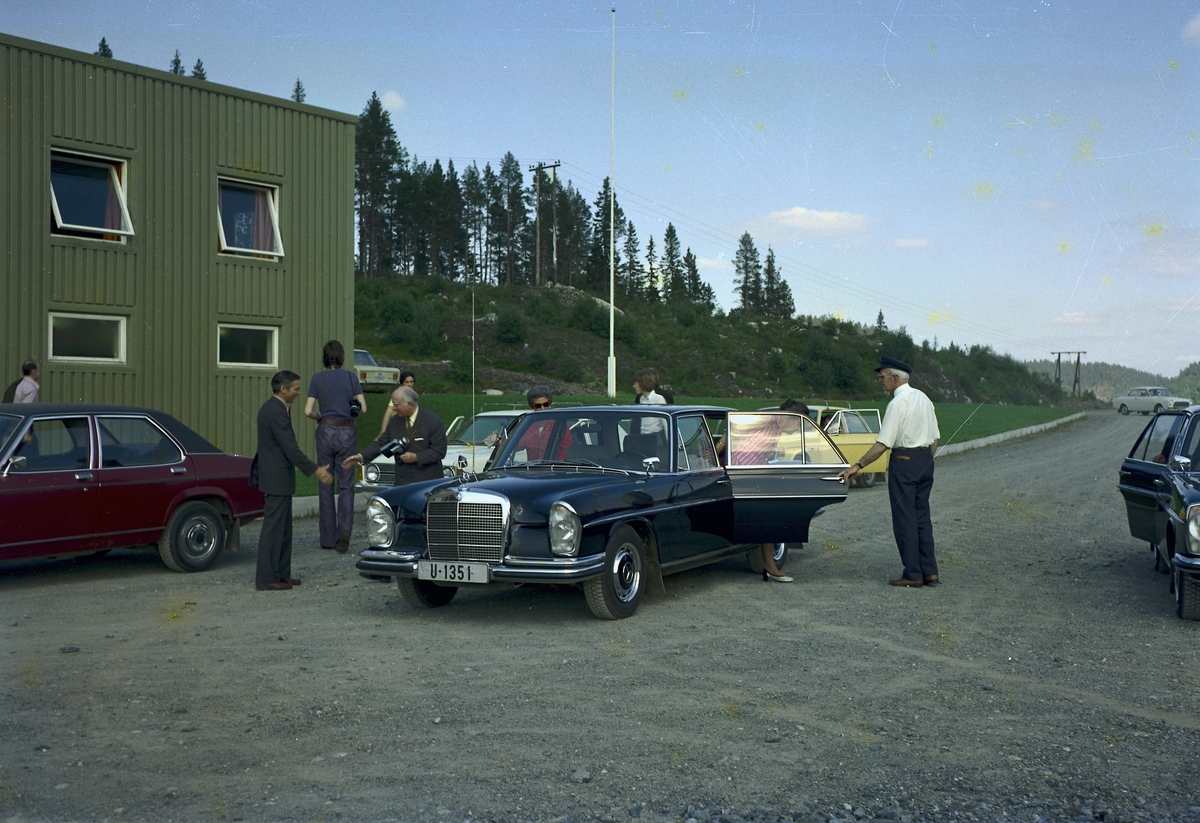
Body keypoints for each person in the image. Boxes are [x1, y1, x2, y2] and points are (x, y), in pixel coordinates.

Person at [838, 355, 941, 587]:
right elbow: (934, 439)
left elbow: (883, 443)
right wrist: (923, 459)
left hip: (904, 461)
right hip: (925, 459)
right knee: (922, 517)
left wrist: (858, 465)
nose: (880, 380)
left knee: (905, 518)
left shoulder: (897, 404)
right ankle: (930, 572)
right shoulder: (924, 399)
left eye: (882, 376)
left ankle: (913, 573)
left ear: (895, 378)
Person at [252, 370, 333, 591]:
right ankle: (266, 577)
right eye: (296, 389)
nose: (299, 393)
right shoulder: (275, 412)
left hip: (280, 477)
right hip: (276, 477)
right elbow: (290, 448)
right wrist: (315, 470)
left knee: (284, 529)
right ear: (283, 389)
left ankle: (281, 573)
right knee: (274, 529)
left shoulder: (277, 409)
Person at [303, 341, 366, 553]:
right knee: (346, 484)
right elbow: (363, 408)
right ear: (341, 356)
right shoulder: (351, 377)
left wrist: (319, 417)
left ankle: (328, 539)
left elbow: (308, 410)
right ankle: (345, 532)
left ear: (324, 357)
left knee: (325, 483)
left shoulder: (317, 379)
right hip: (347, 431)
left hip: (326, 431)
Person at [343, 385, 447, 485]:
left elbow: (439, 451)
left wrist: (416, 457)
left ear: (409, 404)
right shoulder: (395, 422)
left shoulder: (432, 421)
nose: (393, 408)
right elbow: (381, 443)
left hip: (426, 483)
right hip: (402, 483)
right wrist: (360, 456)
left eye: (396, 404)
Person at [515, 385, 572, 461]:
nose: (543, 408)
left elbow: (567, 448)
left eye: (546, 404)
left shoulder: (559, 423)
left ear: (550, 403)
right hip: (532, 469)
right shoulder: (528, 424)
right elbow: (517, 445)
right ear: (532, 406)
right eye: (538, 405)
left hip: (554, 468)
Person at [378, 370, 416, 437]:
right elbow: (388, 413)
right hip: (397, 423)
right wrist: (383, 431)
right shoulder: (398, 396)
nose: (409, 384)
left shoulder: (413, 396)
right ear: (402, 383)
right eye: (406, 382)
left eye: (411, 382)